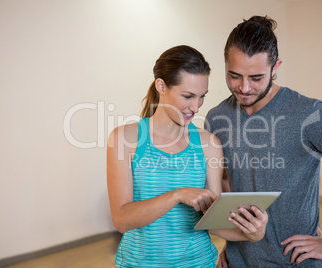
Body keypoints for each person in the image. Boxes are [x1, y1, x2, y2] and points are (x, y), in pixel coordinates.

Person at [205, 16, 322, 267]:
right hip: (239, 261)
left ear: (276, 67)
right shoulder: (217, 118)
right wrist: (230, 239)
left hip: (296, 261)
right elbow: (227, 182)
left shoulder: (313, 114)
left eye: (256, 77)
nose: (244, 87)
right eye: (234, 76)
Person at [107, 45, 268, 267]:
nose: (196, 107)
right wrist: (177, 195)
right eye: (188, 96)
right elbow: (122, 220)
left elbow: (212, 221)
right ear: (161, 86)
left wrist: (252, 234)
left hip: (200, 262)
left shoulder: (208, 144)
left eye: (202, 97)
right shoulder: (125, 139)